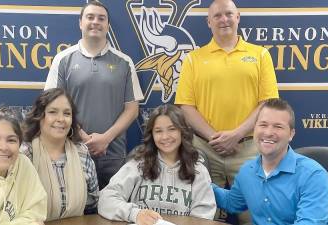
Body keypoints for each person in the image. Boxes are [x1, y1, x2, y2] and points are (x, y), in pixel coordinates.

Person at [175, 0, 279, 222]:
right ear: (208, 21)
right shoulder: (194, 58)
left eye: (229, 14)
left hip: (249, 149)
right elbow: (186, 106)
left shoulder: (260, 55)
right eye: (218, 16)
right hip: (205, 148)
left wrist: (237, 134)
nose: (224, 19)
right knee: (205, 217)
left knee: (253, 217)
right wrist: (216, 138)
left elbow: (267, 103)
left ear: (238, 17)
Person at [44, 1, 143, 189]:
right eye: (90, 17)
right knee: (76, 212)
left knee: (112, 211)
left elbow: (132, 110)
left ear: (107, 25)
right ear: (80, 22)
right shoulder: (63, 59)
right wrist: (82, 137)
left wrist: (105, 138)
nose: (95, 22)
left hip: (113, 154)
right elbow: (51, 107)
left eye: (101, 18)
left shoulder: (124, 62)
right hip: (72, 150)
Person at [212, 98, 328, 224]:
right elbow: (231, 202)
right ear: (254, 129)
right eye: (263, 125)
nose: (268, 132)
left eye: (278, 127)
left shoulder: (313, 175)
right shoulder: (247, 171)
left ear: (291, 134)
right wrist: (198, 181)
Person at [98, 104, 216, 225]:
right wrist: (135, 214)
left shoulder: (198, 170)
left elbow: (203, 218)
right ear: (152, 135)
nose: (165, 137)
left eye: (172, 129)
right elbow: (106, 199)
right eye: (158, 131)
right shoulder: (138, 164)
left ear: (182, 131)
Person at [21, 88, 99, 221]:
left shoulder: (82, 152)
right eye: (52, 112)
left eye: (67, 113)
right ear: (39, 116)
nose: (61, 119)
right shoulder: (25, 154)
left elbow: (92, 204)